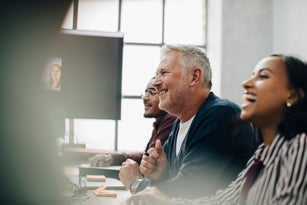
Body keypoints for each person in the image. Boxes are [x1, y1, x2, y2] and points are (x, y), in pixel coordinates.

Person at [126, 54, 307, 205]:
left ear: (293, 94)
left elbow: (193, 185)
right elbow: (223, 200)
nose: (246, 83)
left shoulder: (301, 147)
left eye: (263, 76)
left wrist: (138, 184)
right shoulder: (263, 154)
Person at [119, 44, 257, 199]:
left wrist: (136, 183)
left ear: (194, 77)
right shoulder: (179, 123)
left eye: (164, 73)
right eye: (156, 75)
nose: (156, 83)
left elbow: (190, 188)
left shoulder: (221, 114)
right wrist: (162, 174)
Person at [89, 77, 176, 166]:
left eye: (152, 92)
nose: (145, 98)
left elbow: (149, 161)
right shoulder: (160, 122)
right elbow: (145, 156)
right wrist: (112, 158)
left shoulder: (171, 119)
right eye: (145, 92)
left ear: (165, 96)